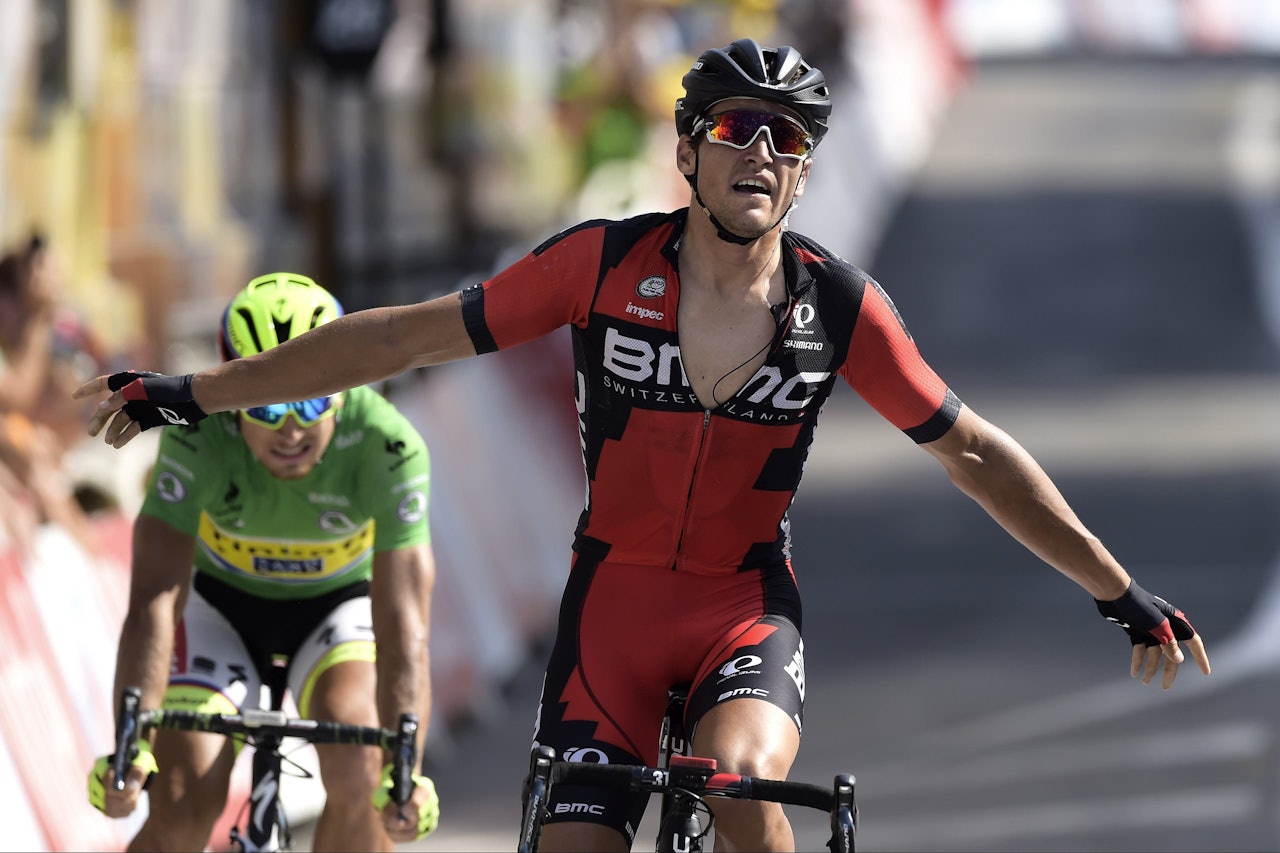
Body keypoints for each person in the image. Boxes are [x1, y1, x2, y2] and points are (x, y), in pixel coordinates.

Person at [77, 39, 1212, 853]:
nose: (759, 152)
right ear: (686, 149)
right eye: (734, 129)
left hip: (741, 609)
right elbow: (405, 334)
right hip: (610, 608)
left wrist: (1117, 590)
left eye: (787, 138)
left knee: (739, 785)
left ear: (806, 170)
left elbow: (970, 452)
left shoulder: (838, 309)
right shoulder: (603, 269)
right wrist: (198, 391)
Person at [84, 273, 440, 851]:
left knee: (363, 778)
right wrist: (133, 741)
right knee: (179, 804)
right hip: (221, 609)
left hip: (333, 614)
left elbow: (405, 622)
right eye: (269, 407)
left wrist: (408, 771)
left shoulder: (388, 445)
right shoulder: (198, 436)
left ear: (346, 390)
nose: (293, 428)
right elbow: (155, 596)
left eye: (314, 399)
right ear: (231, 396)